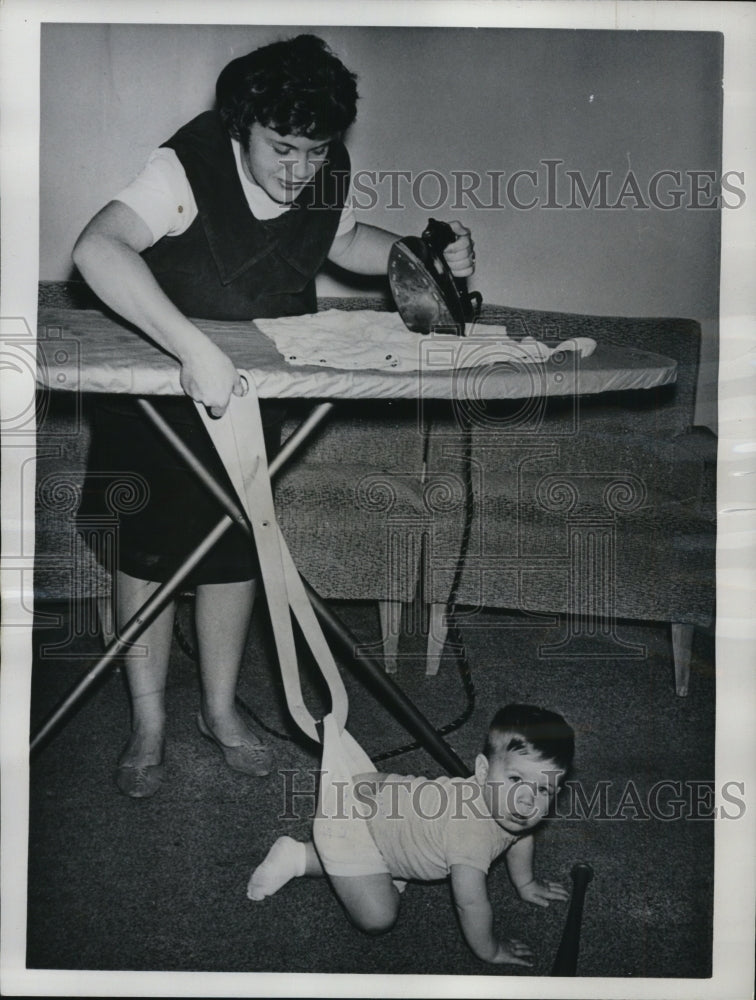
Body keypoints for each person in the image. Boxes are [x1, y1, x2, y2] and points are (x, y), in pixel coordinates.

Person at [71, 33, 475, 799]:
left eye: (315, 151)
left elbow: (348, 239)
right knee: (147, 555)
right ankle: (149, 721)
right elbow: (97, 249)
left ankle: (220, 713)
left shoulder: (320, 175)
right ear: (239, 127)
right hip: (158, 384)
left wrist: (428, 251)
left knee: (236, 547)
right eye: (282, 148)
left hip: (254, 391)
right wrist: (191, 348)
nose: (299, 170)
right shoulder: (184, 165)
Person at [247, 703, 575, 966]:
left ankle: (329, 852)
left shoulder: (507, 810)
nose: (527, 800)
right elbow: (470, 904)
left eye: (544, 789)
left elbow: (520, 839)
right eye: (516, 779)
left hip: (380, 791)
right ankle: (299, 856)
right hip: (356, 826)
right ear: (483, 771)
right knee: (379, 915)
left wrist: (526, 883)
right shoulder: (471, 837)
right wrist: (489, 950)